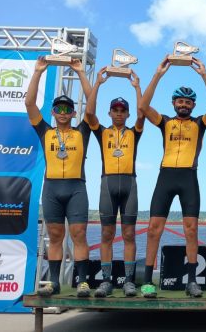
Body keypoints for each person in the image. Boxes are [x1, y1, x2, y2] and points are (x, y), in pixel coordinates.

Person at [138, 57, 206, 298]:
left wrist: (205, 75)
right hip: (165, 176)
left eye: (188, 102)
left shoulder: (199, 123)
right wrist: (158, 74)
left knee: (191, 229)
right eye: (180, 101)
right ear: (173, 102)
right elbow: (143, 107)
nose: (184, 104)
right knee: (154, 229)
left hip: (188, 178)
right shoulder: (165, 122)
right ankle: (147, 281)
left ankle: (192, 281)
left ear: (193, 105)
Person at [25, 57, 92, 297]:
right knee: (55, 236)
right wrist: (37, 72)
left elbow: (91, 103)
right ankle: (53, 282)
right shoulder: (45, 131)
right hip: (52, 188)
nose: (63, 113)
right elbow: (29, 103)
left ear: (74, 113)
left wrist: (81, 72)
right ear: (53, 112)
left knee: (79, 234)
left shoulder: (82, 132)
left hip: (76, 188)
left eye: (67, 109)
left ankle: (82, 281)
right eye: (58, 109)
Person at [84, 67, 144, 297]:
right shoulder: (102, 132)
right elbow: (89, 114)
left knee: (129, 234)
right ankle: (106, 281)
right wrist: (98, 83)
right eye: (115, 110)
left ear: (127, 114)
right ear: (109, 113)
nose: (119, 113)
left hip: (130, 185)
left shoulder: (133, 132)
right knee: (106, 235)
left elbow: (142, 114)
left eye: (123, 110)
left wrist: (137, 87)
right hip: (107, 185)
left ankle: (129, 280)